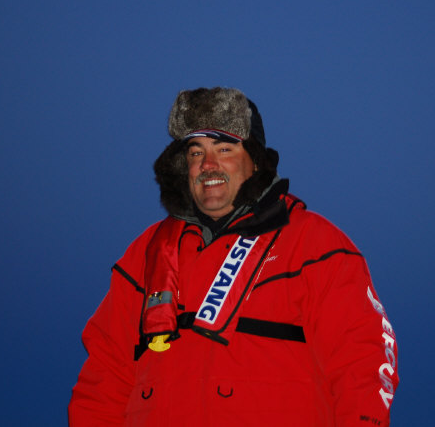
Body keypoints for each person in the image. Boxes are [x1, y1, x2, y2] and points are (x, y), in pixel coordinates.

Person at [69, 87, 399, 426]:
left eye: (224, 149)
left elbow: (363, 360)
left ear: (255, 161)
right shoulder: (146, 254)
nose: (207, 165)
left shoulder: (314, 244)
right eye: (196, 152)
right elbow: (103, 378)